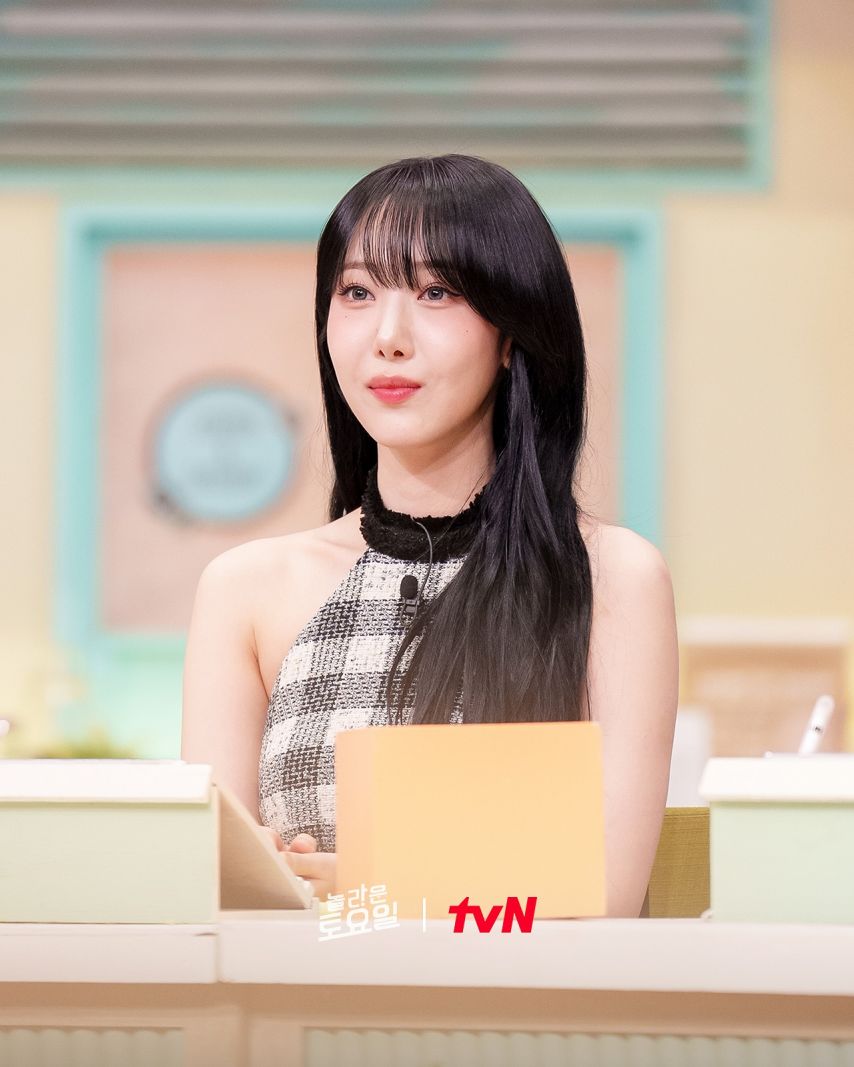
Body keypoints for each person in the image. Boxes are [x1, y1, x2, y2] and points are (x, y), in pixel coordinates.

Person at [181, 153, 678, 917]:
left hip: (525, 999)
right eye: (357, 292)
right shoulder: (245, 589)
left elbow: (605, 900)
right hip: (296, 998)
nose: (388, 336)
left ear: (511, 331)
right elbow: (217, 903)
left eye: (437, 292)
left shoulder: (611, 577)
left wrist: (370, 892)